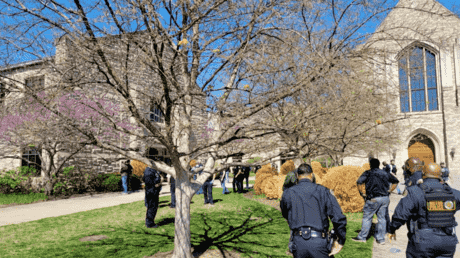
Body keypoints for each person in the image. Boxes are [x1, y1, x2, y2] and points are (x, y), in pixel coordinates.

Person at [388, 162, 460, 258]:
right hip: (447, 241)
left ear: (423, 173)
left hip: (422, 240)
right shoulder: (452, 192)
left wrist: (392, 229)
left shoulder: (415, 191)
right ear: (440, 174)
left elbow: (401, 214)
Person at [280, 163, 347, 257]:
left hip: (298, 242)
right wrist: (340, 239)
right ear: (312, 175)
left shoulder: (288, 193)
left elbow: (285, 213)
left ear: (297, 176)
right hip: (319, 242)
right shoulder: (323, 191)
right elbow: (338, 217)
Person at [353, 158, 399, 245]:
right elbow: (396, 181)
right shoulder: (385, 173)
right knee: (382, 219)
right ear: (379, 164)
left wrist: (362, 193)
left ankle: (362, 237)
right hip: (384, 198)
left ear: (370, 164)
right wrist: (390, 190)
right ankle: (381, 239)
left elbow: (359, 182)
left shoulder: (368, 173)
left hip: (373, 198)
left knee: (367, 217)